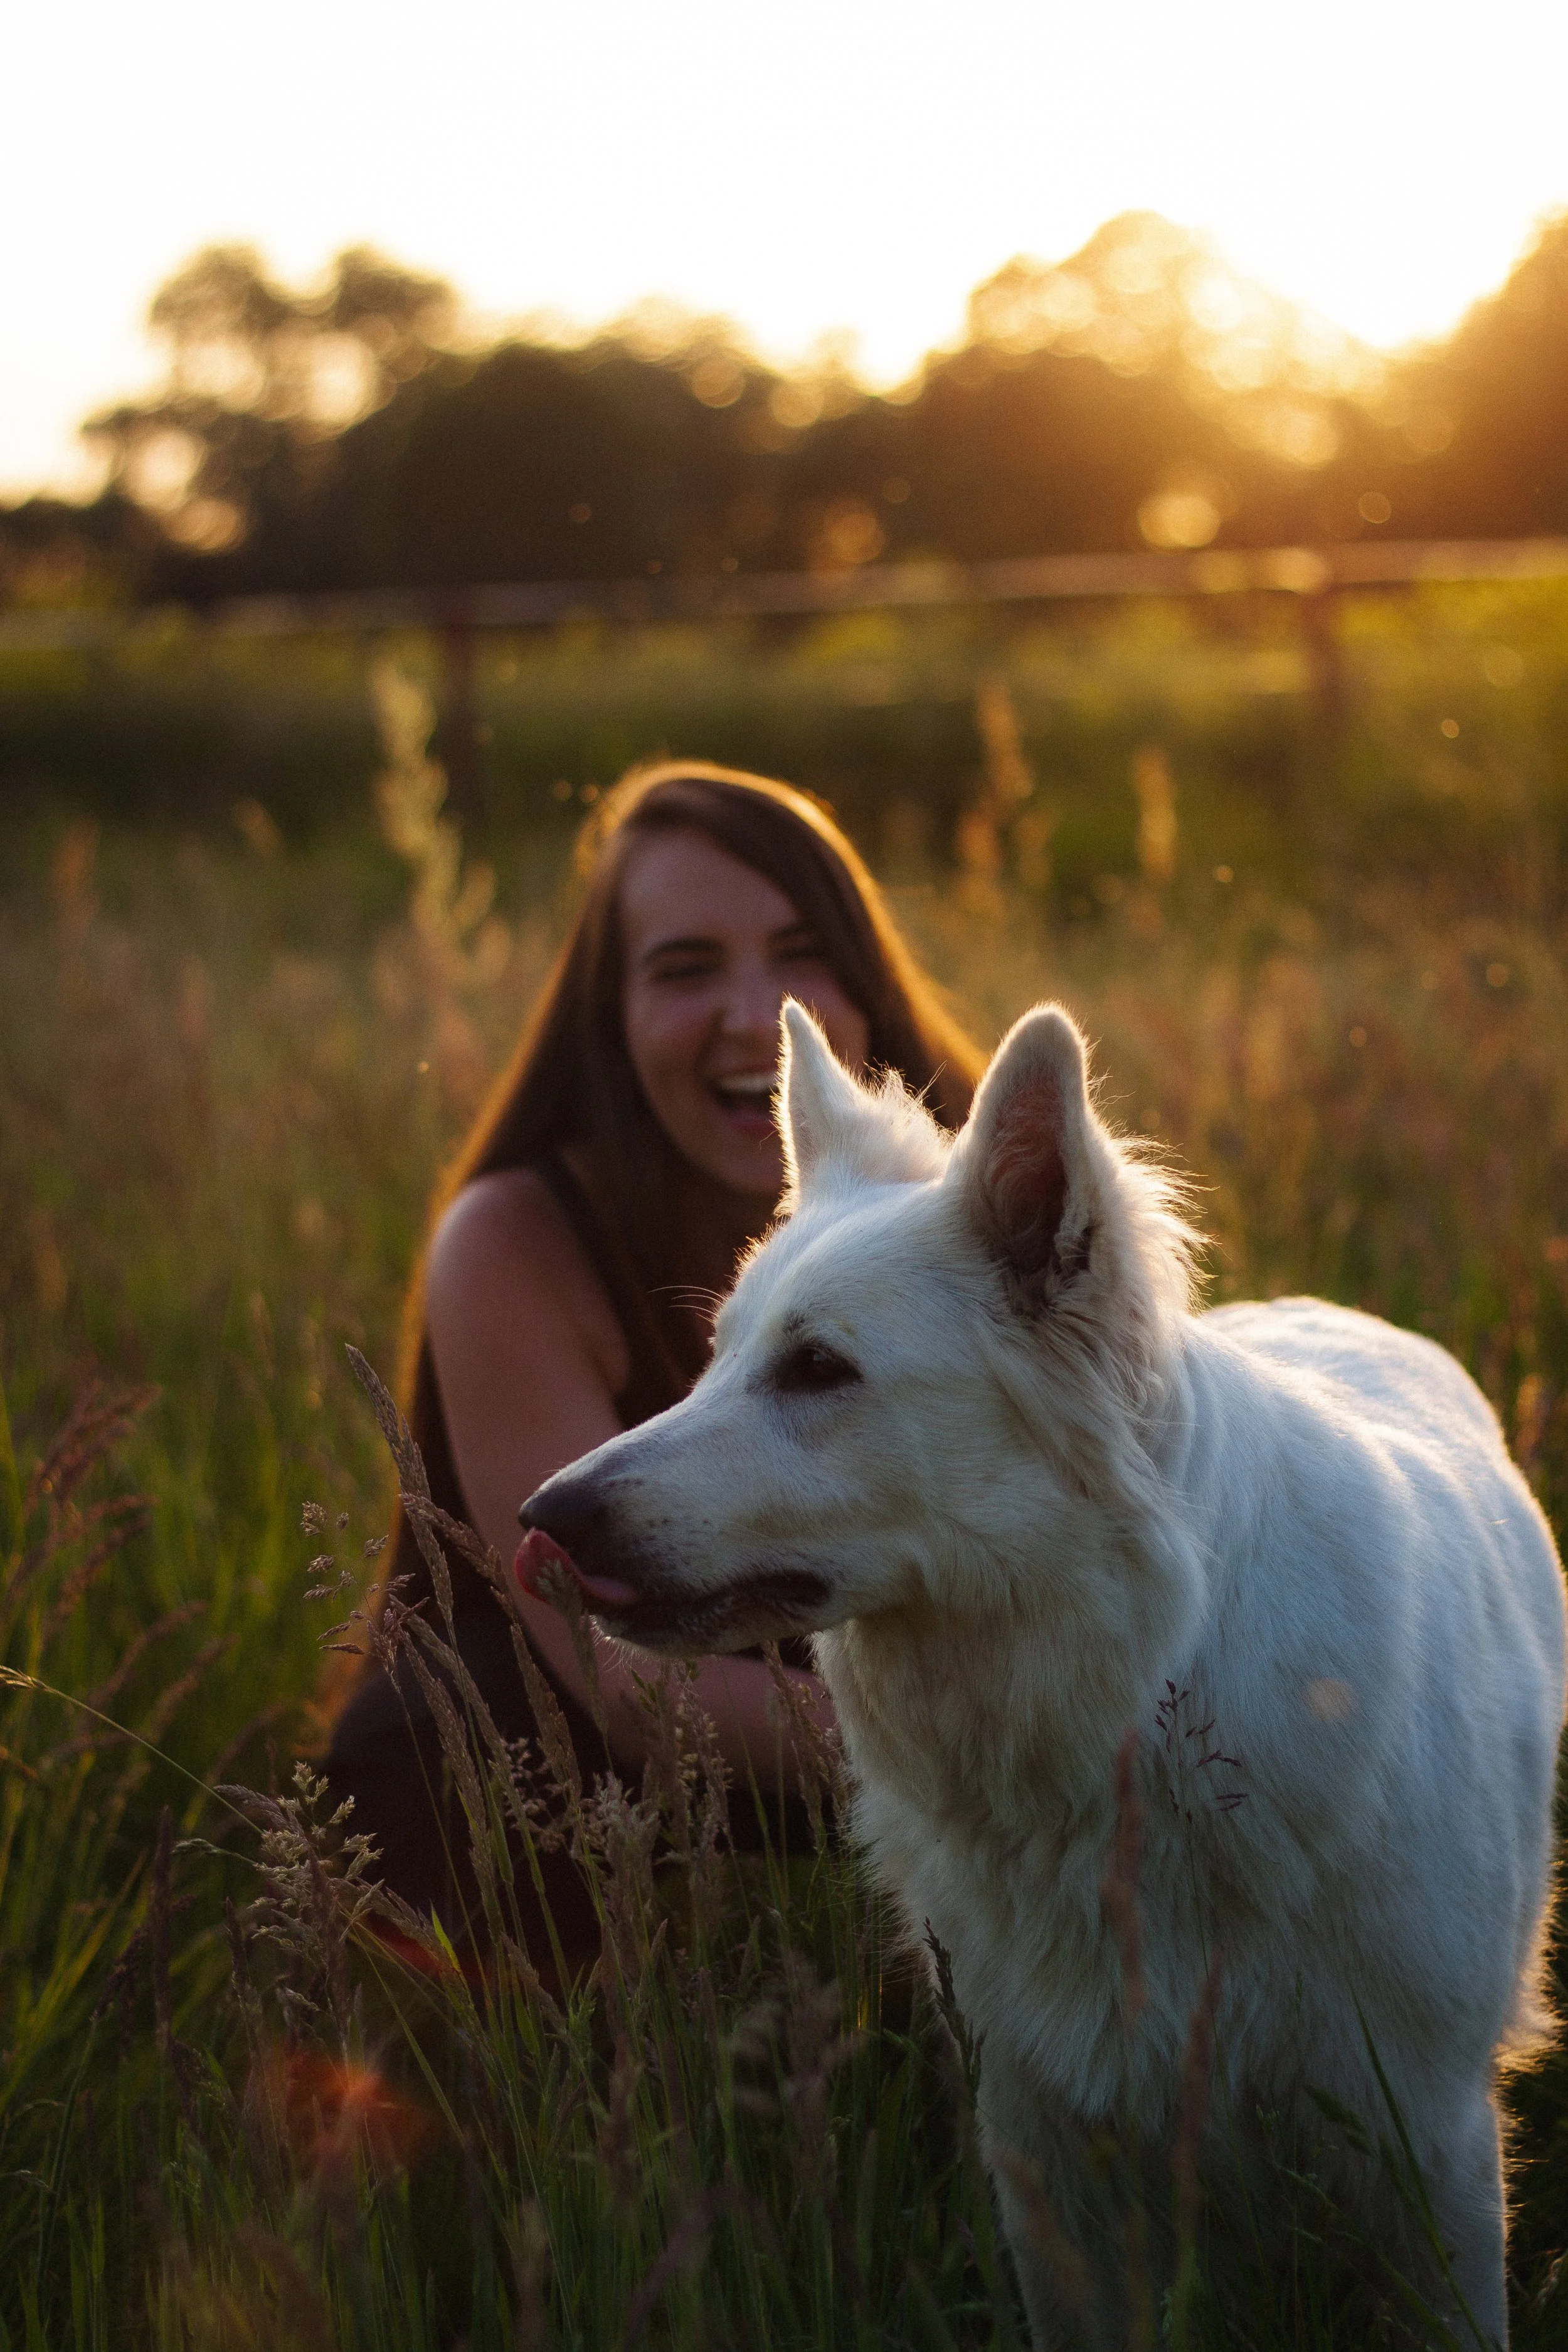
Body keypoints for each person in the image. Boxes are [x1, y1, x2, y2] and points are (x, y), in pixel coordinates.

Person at [324, 759, 983, 1963]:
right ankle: (563, 2076)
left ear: (865, 976)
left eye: (801, 949)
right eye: (685, 969)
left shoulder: (982, 1201)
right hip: (640, 1736)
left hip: (934, 1680)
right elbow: (621, 1682)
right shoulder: (516, 1238)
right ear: (610, 1014)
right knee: (420, 1740)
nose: (752, 1012)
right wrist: (1020, 1746)